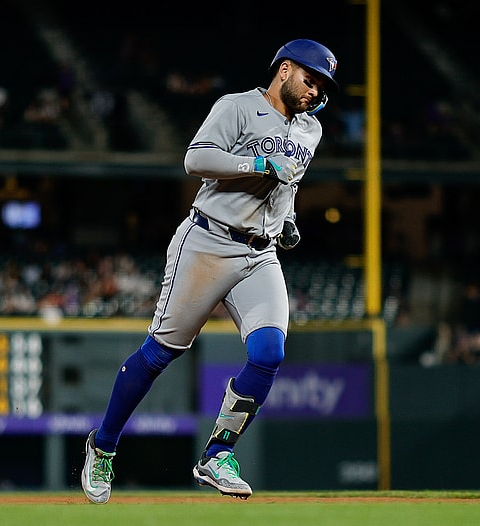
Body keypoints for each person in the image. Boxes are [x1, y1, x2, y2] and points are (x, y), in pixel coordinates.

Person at [81, 39, 339, 504]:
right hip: (208, 241)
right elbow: (195, 159)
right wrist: (258, 162)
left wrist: (289, 218)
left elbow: (290, 182)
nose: (315, 90)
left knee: (269, 352)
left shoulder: (310, 129)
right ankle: (103, 446)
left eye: (322, 85)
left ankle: (218, 455)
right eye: (310, 78)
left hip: (260, 253)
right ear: (284, 70)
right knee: (160, 353)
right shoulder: (237, 107)